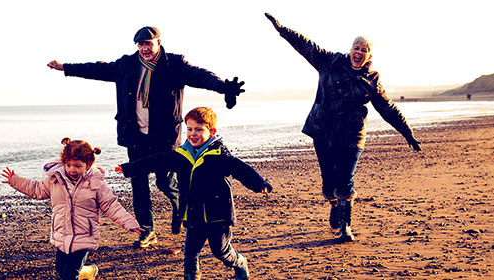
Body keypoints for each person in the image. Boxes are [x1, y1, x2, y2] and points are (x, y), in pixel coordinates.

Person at [47, 26, 245, 248]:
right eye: (141, 44)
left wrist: (222, 86)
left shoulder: (174, 65)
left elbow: (200, 76)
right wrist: (66, 67)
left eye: (148, 44)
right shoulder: (127, 65)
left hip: (164, 138)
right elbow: (98, 69)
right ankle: (147, 231)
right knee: (139, 186)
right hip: (136, 137)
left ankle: (181, 209)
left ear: (158, 43)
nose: (144, 48)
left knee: (166, 181)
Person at [264, 13, 422, 242]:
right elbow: (305, 45)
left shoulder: (372, 80)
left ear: (369, 55)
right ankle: (334, 203)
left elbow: (387, 108)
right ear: (350, 50)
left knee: (346, 180)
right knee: (329, 185)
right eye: (356, 48)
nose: (359, 53)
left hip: (352, 135)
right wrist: (282, 29)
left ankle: (345, 227)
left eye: (364, 50)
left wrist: (407, 132)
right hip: (323, 131)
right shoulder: (330, 62)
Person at [115, 107, 272, 280]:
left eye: (199, 129)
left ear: (212, 132)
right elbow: (157, 161)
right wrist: (129, 168)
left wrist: (259, 184)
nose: (192, 134)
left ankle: (239, 262)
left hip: (217, 215)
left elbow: (241, 169)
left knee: (220, 251)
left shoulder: (219, 155)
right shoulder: (181, 155)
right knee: (190, 255)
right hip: (193, 214)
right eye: (189, 129)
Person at [1, 138, 144, 280]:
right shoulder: (55, 179)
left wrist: (129, 223)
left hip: (83, 236)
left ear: (88, 165)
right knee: (60, 268)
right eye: (68, 165)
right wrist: (15, 180)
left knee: (69, 275)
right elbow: (37, 189)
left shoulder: (95, 184)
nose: (71, 170)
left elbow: (111, 205)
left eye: (77, 166)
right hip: (62, 234)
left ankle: (79, 272)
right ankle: (87, 272)